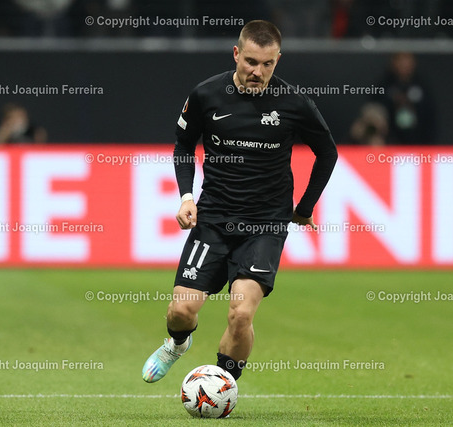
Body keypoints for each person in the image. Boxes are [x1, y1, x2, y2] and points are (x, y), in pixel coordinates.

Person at [142, 20, 338, 383]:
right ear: (236, 54)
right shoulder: (206, 95)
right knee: (181, 311)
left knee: (241, 314)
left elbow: (327, 152)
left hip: (265, 225)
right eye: (250, 61)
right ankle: (177, 344)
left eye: (267, 64)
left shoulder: (293, 103)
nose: (257, 72)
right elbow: (184, 145)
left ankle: (221, 386)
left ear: (278, 60)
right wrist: (186, 196)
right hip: (214, 218)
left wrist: (305, 207)